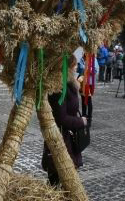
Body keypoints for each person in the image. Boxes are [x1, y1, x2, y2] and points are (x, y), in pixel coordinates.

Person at [41, 54, 88, 184]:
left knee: (66, 181)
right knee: (58, 180)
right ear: (68, 68)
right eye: (75, 65)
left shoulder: (69, 84)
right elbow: (61, 118)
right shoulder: (59, 88)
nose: (77, 67)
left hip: (69, 139)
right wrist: (81, 121)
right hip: (61, 139)